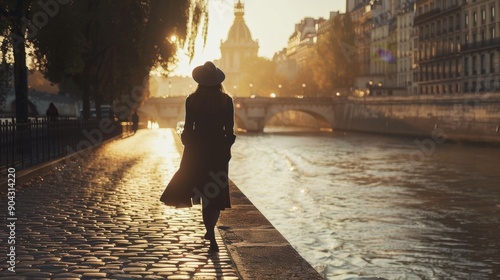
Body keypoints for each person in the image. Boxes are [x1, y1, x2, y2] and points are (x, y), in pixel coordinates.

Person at [160, 61, 236, 252]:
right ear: (218, 82)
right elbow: (229, 130)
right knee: (214, 195)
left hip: (197, 151)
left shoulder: (191, 100)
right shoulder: (226, 101)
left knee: (202, 192)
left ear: (200, 82)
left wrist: (188, 144)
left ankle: (209, 231)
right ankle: (211, 233)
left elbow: (188, 128)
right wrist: (226, 150)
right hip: (217, 152)